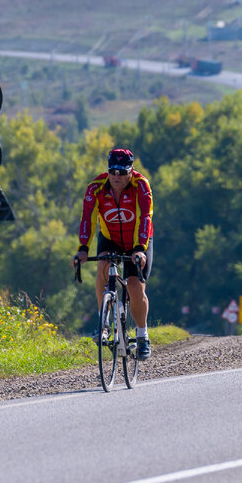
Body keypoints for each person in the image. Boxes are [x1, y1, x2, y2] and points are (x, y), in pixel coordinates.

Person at [73, 147, 153, 360]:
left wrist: (140, 249)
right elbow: (87, 219)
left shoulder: (141, 186)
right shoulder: (95, 188)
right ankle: (104, 324)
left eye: (122, 171)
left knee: (135, 286)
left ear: (131, 170)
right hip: (111, 238)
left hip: (138, 240)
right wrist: (82, 249)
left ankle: (143, 336)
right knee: (102, 266)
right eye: (113, 171)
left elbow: (145, 217)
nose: (117, 176)